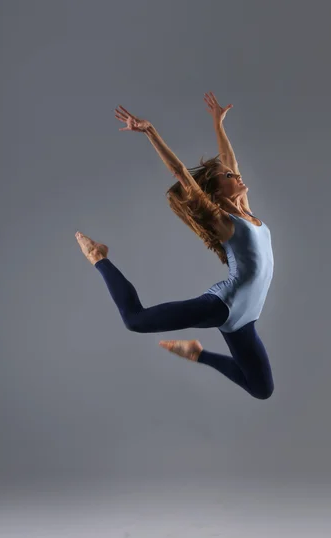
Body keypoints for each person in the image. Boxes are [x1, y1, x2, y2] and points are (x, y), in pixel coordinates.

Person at [75, 92, 274, 400]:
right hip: (225, 306)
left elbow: (229, 160)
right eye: (229, 177)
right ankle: (99, 257)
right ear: (218, 193)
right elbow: (181, 174)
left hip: (246, 318)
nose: (237, 175)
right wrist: (150, 131)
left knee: (262, 389)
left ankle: (197, 353)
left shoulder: (244, 208)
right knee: (134, 320)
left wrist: (218, 124)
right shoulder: (223, 220)